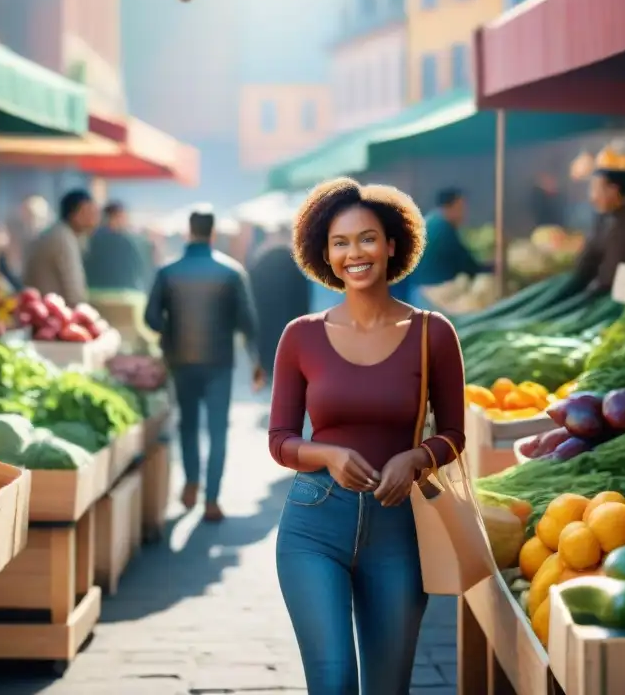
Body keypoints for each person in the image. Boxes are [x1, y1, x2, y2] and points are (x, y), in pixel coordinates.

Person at [268, 178, 466, 695]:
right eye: (340, 242)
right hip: (313, 525)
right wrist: (326, 453)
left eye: (367, 238)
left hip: (399, 530)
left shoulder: (433, 333)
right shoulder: (301, 335)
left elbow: (454, 434)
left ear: (393, 244)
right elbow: (280, 440)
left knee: (388, 687)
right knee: (332, 683)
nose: (354, 253)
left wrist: (418, 458)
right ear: (324, 253)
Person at [144, 207, 263, 522]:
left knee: (188, 424)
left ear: (189, 231)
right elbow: (248, 322)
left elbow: (151, 318)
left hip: (181, 360)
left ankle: (190, 482)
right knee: (218, 429)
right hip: (219, 361)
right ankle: (212, 499)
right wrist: (256, 361)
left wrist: (172, 328)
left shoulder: (167, 272)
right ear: (213, 233)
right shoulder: (232, 271)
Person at [247, 224, 310, 378]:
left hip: (265, 324)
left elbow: (252, 296)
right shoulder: (296, 265)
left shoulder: (259, 262)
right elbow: (303, 299)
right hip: (289, 323)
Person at [23, 189, 99, 305]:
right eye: (88, 212)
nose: (93, 219)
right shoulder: (63, 238)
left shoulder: (58, 233)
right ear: (74, 214)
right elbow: (74, 292)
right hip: (51, 312)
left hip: (41, 307)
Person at [410, 188, 483, 291]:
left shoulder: (433, 221)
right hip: (433, 290)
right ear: (449, 207)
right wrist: (491, 268)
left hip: (419, 289)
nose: (463, 213)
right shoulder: (443, 229)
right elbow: (466, 264)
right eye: (460, 208)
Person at [83, 201, 151, 292]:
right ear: (111, 218)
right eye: (122, 217)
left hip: (94, 294)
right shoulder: (127, 242)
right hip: (124, 296)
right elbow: (139, 269)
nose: (125, 221)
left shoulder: (91, 239)